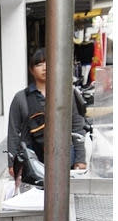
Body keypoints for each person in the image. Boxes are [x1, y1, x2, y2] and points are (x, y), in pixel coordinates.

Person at [6, 48, 87, 176]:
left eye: (48, 63)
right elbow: (13, 131)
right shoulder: (21, 98)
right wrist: (12, 163)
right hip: (31, 157)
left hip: (63, 155)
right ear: (31, 70)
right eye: (39, 64)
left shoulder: (67, 94)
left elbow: (77, 126)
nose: (44, 67)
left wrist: (80, 158)